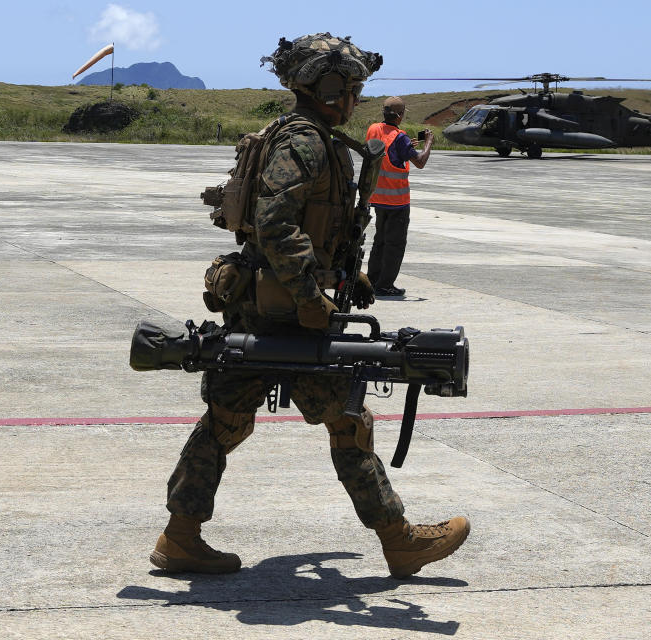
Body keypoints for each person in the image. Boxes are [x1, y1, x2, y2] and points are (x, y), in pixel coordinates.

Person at [149, 33, 469, 578]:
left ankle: (180, 536)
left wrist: (351, 272)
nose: (356, 96)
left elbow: (313, 222)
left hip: (261, 305)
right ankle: (400, 541)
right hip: (289, 313)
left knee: (226, 419)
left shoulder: (307, 136)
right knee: (349, 422)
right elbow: (276, 221)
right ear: (329, 88)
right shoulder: (307, 142)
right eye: (352, 87)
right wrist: (311, 296)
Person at [365, 96, 433, 297]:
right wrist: (427, 143)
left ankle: (373, 280)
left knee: (380, 241)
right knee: (394, 244)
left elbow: (384, 151)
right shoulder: (399, 136)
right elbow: (420, 161)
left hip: (378, 197)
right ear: (400, 115)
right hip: (397, 200)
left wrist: (405, 147)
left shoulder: (373, 129)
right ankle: (385, 285)